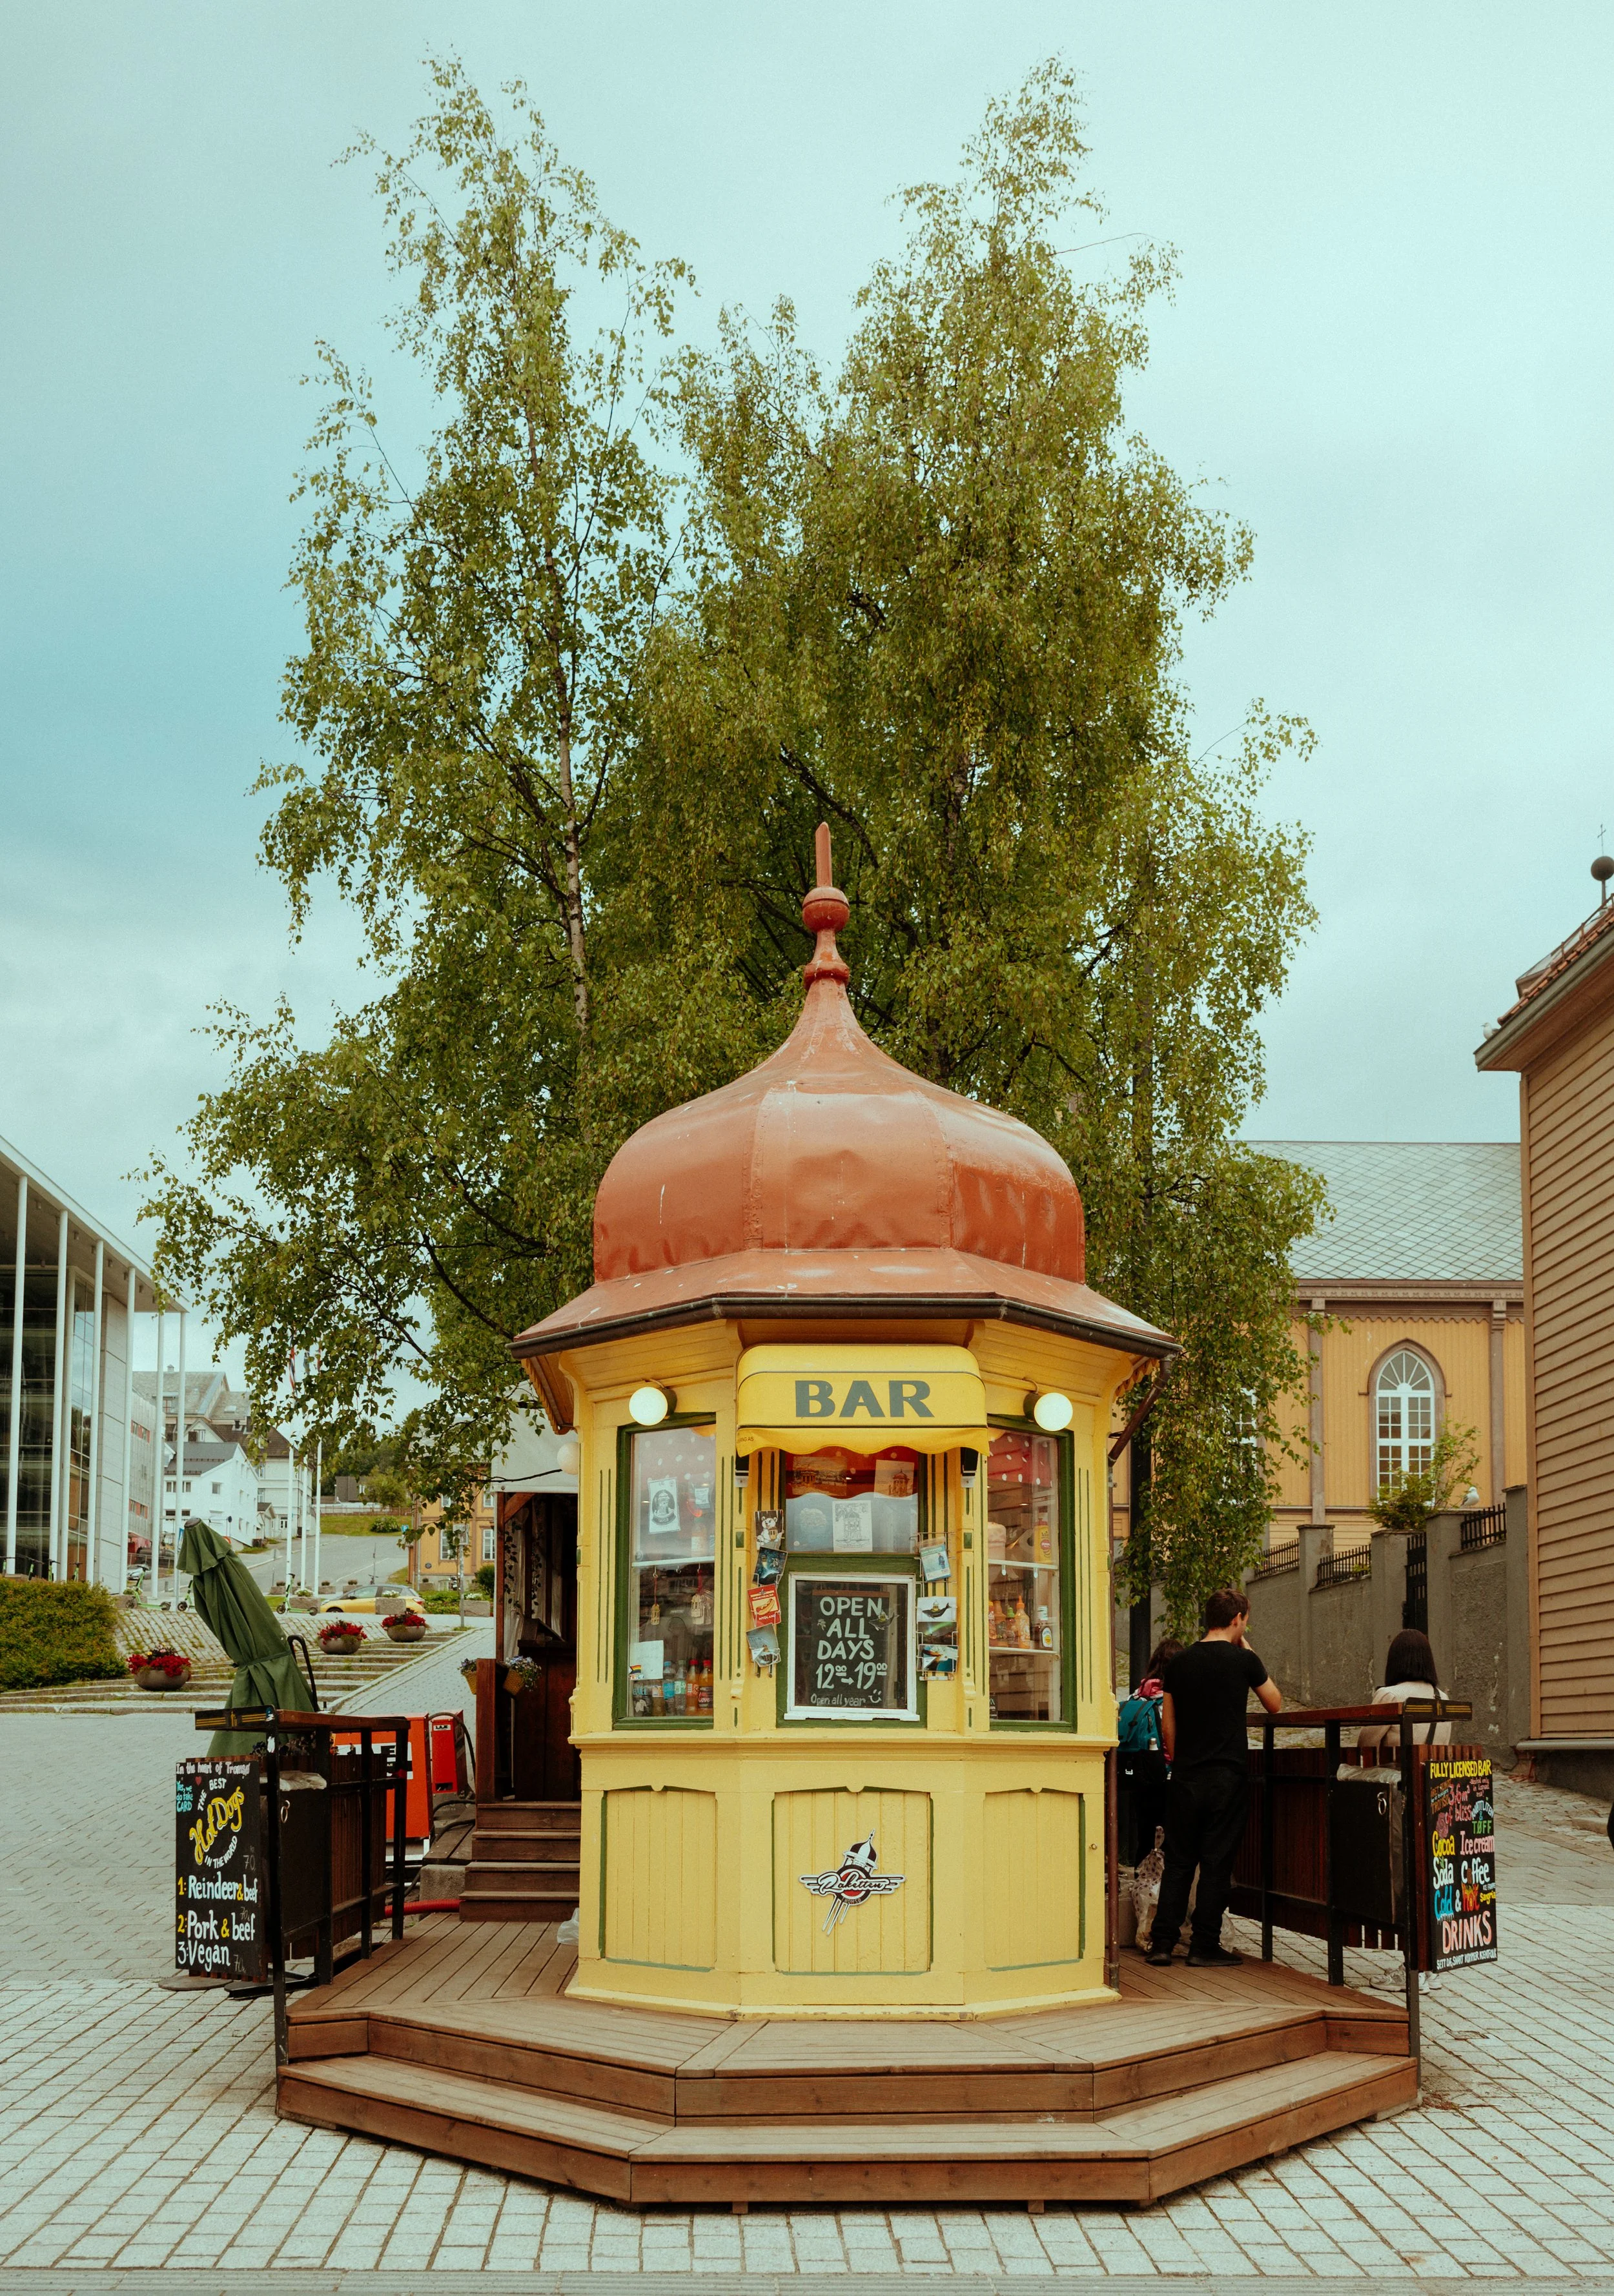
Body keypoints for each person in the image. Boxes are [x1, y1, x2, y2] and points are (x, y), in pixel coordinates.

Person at [1146, 1587, 1281, 1967]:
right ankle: (1204, 1945)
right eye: (1246, 1620)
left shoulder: (1179, 1663)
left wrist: (1182, 1760)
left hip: (1186, 1776)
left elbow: (1168, 1727)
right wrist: (1251, 1653)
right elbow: (1275, 1703)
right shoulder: (1243, 1661)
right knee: (1216, 1862)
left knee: (1179, 1862)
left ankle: (1162, 1943)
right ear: (1238, 1619)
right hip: (1227, 1776)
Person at [1355, 1628, 1452, 1760]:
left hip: (1395, 1777)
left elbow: (1365, 1745)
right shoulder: (1443, 1698)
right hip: (1431, 1778)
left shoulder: (1390, 1695)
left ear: (1394, 1661)